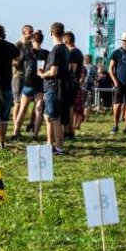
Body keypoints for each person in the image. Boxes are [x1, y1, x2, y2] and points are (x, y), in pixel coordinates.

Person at [37, 22, 69, 155]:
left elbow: (54, 71)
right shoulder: (65, 48)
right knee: (49, 115)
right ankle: (50, 143)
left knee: (55, 117)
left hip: (53, 86)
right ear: (63, 33)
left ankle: (59, 147)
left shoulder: (56, 50)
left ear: (51, 33)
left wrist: (42, 74)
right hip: (59, 86)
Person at [11, 30, 48, 140]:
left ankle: (15, 132)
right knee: (39, 109)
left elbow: (17, 63)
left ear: (32, 39)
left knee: (22, 109)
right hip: (40, 82)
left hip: (28, 81)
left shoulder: (26, 51)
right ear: (42, 40)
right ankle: (35, 134)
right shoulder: (46, 53)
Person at [12, 25, 34, 131]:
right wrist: (20, 57)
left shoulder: (31, 45)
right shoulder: (17, 45)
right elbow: (13, 62)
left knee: (26, 104)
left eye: (32, 31)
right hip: (18, 76)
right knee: (17, 102)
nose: (32, 33)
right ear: (24, 32)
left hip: (29, 76)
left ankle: (23, 126)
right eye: (30, 31)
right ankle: (16, 129)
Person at [64, 31, 85, 135]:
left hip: (70, 84)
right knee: (70, 107)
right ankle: (70, 130)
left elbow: (72, 69)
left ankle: (69, 130)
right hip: (74, 83)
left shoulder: (72, 53)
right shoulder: (78, 52)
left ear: (66, 40)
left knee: (69, 108)